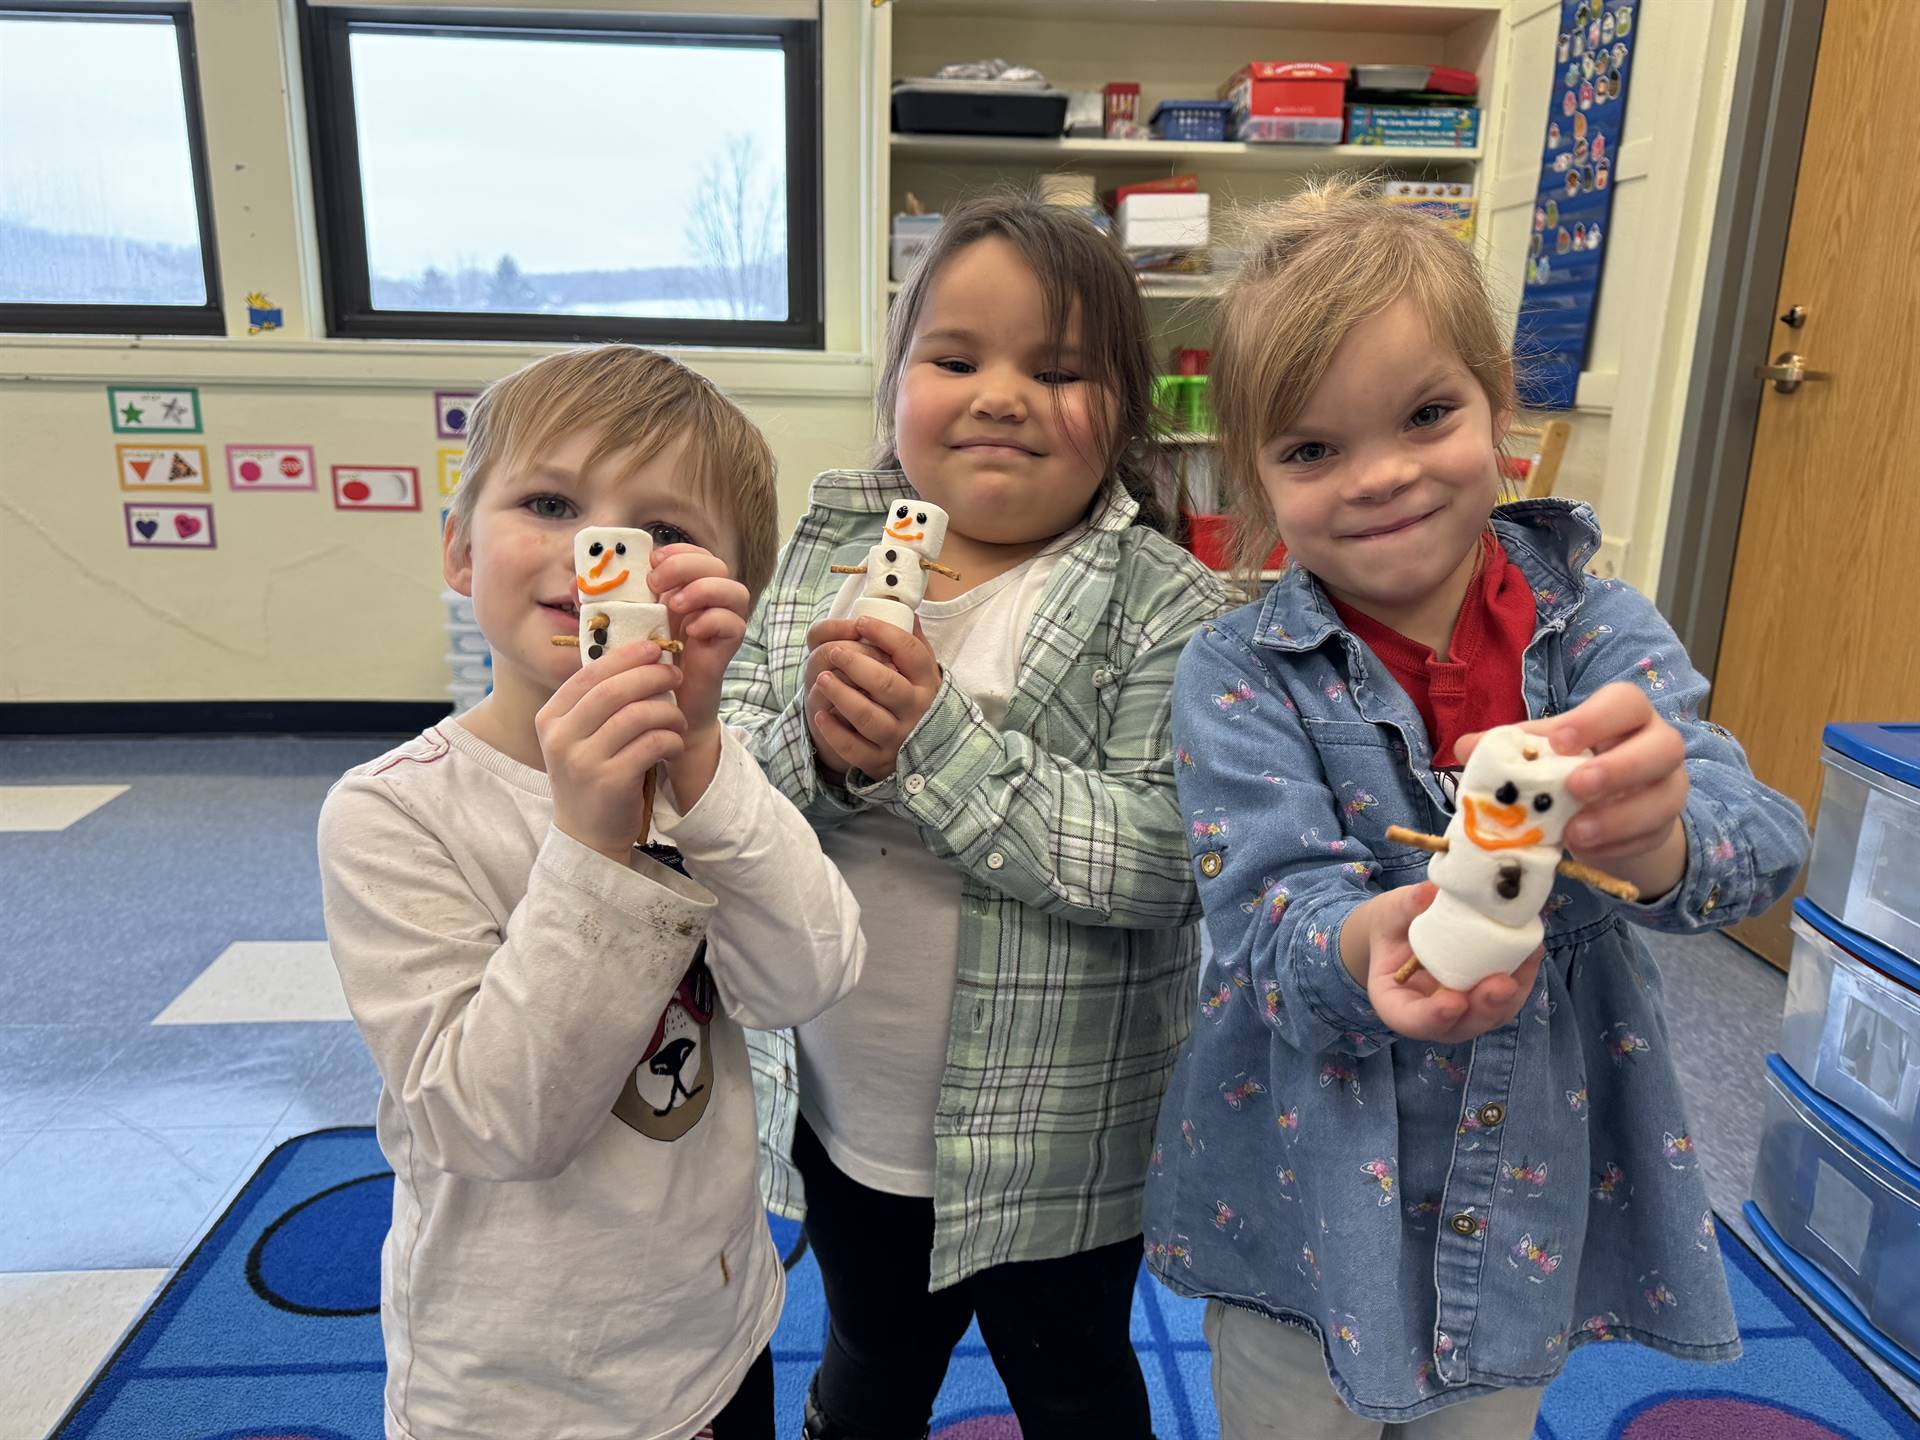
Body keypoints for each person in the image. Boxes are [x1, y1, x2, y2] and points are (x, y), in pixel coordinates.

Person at [1142, 178, 1808, 1437]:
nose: (1382, 477)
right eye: (1312, 449)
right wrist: (1361, 941)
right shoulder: (1236, 672)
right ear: (1253, 474)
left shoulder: (1602, 633)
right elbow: (1264, 907)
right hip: (1305, 1198)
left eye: (1425, 414)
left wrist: (1661, 838)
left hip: (1528, 1196)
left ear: (1498, 401)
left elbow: (1765, 834)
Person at [722, 194, 1229, 1438]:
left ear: (1128, 415)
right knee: (867, 1362)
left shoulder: (1168, 604)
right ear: (897, 382)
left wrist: (930, 748)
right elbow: (723, 779)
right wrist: (825, 761)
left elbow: (1171, 861)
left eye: (1056, 370)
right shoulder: (824, 554)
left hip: (1062, 1145)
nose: (1000, 395)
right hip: (847, 1110)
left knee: (1072, 1382)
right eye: (956, 359)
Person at [318, 344, 864, 1440]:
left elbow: (807, 975)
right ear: (461, 550)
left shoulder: (716, 770)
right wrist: (591, 842)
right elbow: (497, 1123)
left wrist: (703, 756)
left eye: (664, 533)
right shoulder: (395, 813)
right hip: (516, 1379)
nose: (600, 552)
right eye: (550, 501)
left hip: (711, 1329)